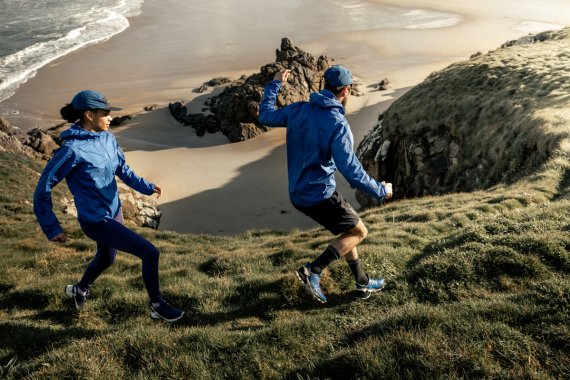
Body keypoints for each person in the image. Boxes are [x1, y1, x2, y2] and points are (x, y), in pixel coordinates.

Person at [33, 90, 184, 322]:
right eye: (106, 113)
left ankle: (80, 289)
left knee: (107, 258)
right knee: (150, 253)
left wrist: (145, 187)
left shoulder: (107, 138)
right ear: (89, 115)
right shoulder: (71, 150)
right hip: (96, 220)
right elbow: (43, 187)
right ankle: (157, 306)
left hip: (115, 211)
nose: (111, 118)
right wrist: (52, 228)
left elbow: (122, 168)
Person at [258, 66, 393, 303]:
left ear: (324, 86)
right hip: (320, 194)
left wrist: (275, 83)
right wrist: (381, 190)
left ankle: (362, 282)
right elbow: (351, 171)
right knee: (360, 232)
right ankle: (313, 271)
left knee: (348, 228)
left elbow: (265, 115)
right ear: (346, 90)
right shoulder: (337, 123)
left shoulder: (299, 109)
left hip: (297, 192)